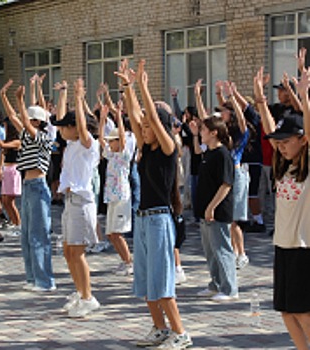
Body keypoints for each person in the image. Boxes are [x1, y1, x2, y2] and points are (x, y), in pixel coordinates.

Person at [118, 59, 192, 349]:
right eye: (143, 126)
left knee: (162, 282)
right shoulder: (145, 149)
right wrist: (127, 87)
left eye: (150, 125)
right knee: (147, 281)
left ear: (160, 127)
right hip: (143, 219)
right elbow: (136, 116)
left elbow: (149, 116)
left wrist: (143, 88)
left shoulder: (167, 149)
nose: (143, 128)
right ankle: (160, 329)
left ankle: (180, 332)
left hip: (161, 220)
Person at [254, 66, 310, 350]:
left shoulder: (307, 169)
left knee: (303, 310)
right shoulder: (282, 167)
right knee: (287, 312)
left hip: (303, 248)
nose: (282, 147)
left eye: (288, 142)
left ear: (303, 140)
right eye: (280, 144)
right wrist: (261, 100)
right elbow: (270, 130)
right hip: (282, 247)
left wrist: (304, 97)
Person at [53, 78, 100, 317]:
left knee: (78, 251)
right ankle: (80, 291)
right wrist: (64, 95)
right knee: (68, 251)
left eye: (66, 126)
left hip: (81, 202)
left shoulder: (88, 144)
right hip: (69, 202)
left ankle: (88, 297)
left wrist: (80, 98)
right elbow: (64, 122)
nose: (62, 130)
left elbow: (81, 127)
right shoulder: (71, 144)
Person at [3, 79, 56, 291]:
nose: (28, 120)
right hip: (27, 187)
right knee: (26, 235)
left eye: (32, 118)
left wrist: (19, 99)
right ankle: (32, 278)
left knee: (38, 235)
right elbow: (16, 119)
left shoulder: (43, 136)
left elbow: (23, 121)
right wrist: (5, 97)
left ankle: (45, 281)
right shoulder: (28, 134)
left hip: (38, 186)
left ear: (38, 121)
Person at [190, 115, 238, 302]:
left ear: (214, 132)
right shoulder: (208, 152)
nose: (201, 132)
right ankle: (216, 283)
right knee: (210, 251)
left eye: (203, 130)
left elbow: (226, 184)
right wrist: (195, 135)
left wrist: (211, 207)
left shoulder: (222, 154)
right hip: (205, 211)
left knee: (221, 249)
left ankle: (229, 288)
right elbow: (196, 150)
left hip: (217, 211)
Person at [98, 105, 132, 276]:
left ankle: (129, 262)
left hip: (121, 197)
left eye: (113, 140)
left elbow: (123, 138)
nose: (110, 143)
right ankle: (124, 261)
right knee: (111, 234)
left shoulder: (124, 155)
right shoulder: (110, 155)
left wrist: (118, 115)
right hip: (111, 197)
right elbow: (100, 140)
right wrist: (103, 119)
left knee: (117, 233)